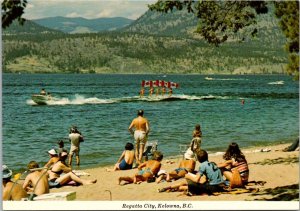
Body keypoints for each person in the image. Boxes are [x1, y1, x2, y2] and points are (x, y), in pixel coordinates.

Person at [158, 149, 225, 195]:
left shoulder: (202, 166)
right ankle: (168, 188)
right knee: (184, 182)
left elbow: (196, 180)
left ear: (198, 159)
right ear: (207, 156)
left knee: (184, 185)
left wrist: (188, 176)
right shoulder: (212, 164)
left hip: (213, 188)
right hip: (219, 185)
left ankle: (169, 188)